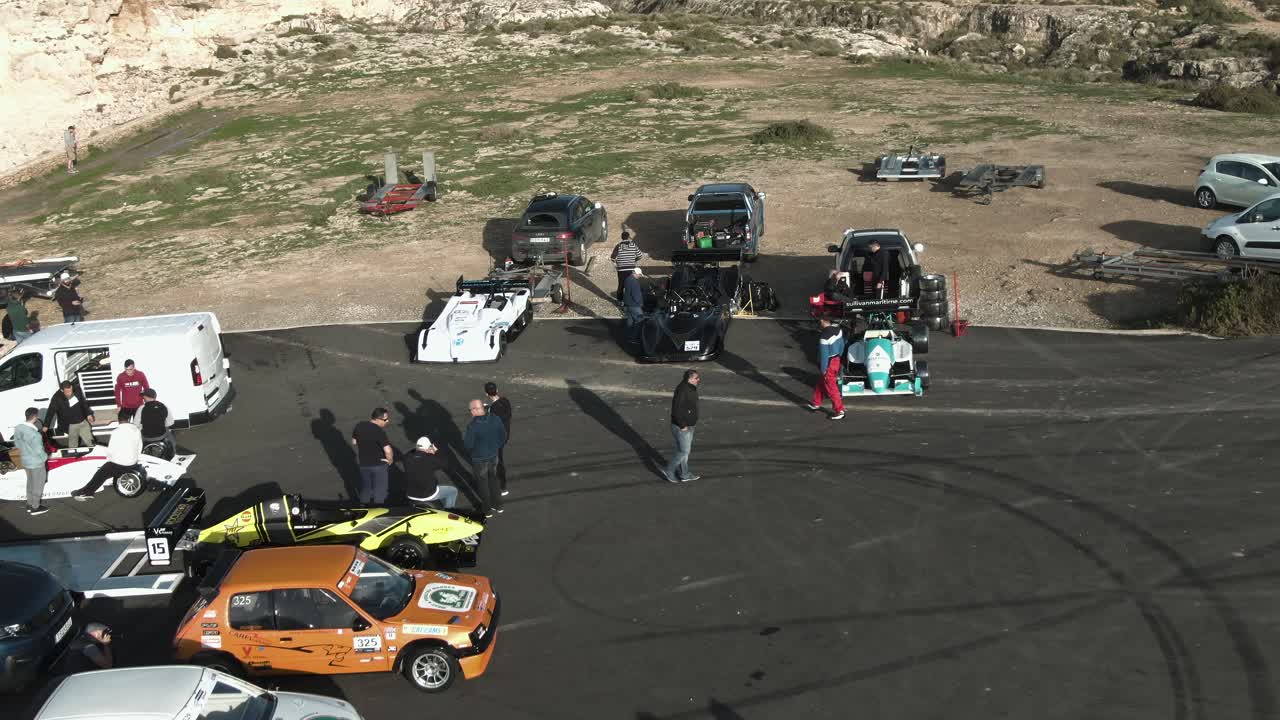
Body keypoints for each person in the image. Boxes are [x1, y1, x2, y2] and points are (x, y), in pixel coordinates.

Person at [71, 407, 141, 499]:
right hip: (133, 462)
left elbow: (111, 451)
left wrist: (108, 460)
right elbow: (139, 447)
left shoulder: (116, 432)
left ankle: (87, 492)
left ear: (118, 420)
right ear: (129, 419)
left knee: (101, 473)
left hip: (121, 465)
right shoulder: (136, 430)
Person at [463, 398, 506, 517]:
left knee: (483, 484)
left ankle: (487, 510)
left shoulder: (473, 426)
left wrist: (474, 451)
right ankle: (498, 505)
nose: (470, 412)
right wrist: (496, 446)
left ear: (475, 410)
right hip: (493, 455)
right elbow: (503, 435)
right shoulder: (495, 418)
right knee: (494, 479)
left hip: (479, 459)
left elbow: (468, 444)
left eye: (470, 410)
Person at [663, 369, 701, 484]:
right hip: (681, 427)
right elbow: (676, 410)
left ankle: (685, 474)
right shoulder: (683, 390)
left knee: (685, 451)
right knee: (683, 451)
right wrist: (683, 425)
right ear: (689, 379)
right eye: (696, 378)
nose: (698, 380)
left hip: (689, 425)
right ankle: (669, 470)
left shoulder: (690, 387)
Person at [807, 316, 847, 420]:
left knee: (831, 387)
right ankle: (816, 403)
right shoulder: (838, 330)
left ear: (822, 321)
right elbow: (842, 345)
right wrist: (839, 356)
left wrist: (823, 369)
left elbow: (824, 356)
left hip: (828, 363)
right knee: (821, 382)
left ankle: (839, 411)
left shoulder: (824, 337)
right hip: (836, 359)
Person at [351, 408, 393, 505]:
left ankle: (363, 507)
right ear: (378, 419)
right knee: (380, 490)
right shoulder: (379, 432)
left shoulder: (359, 425)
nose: (387, 421)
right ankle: (378, 508)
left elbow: (354, 441)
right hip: (379, 465)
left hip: (363, 464)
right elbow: (388, 450)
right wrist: (390, 460)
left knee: (366, 488)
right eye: (385, 419)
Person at [403, 437, 459, 510]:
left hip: (410, 493)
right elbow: (445, 463)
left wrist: (426, 450)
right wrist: (435, 451)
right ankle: (448, 511)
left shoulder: (407, 457)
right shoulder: (430, 459)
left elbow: (414, 452)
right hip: (426, 494)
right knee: (452, 491)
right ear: (428, 447)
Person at [13, 408, 49, 515]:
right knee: (38, 484)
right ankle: (35, 507)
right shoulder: (35, 435)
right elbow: (39, 451)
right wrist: (46, 457)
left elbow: (17, 444)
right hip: (36, 463)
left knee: (30, 482)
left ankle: (29, 504)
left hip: (25, 460)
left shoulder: (18, 427)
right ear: (35, 417)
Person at [44, 380, 96, 448]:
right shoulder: (57, 398)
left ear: (71, 387)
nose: (70, 393)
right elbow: (50, 412)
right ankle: (73, 453)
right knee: (73, 446)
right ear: (62, 390)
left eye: (71, 391)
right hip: (71, 425)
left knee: (90, 442)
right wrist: (46, 425)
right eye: (67, 392)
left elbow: (83, 403)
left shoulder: (76, 389)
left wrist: (88, 414)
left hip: (82, 421)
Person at [484, 382, 512, 496]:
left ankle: (502, 486)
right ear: (497, 390)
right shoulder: (505, 401)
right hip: (505, 434)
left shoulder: (493, 410)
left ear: (486, 394)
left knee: (498, 461)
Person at [610, 230, 645, 301]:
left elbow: (612, 258)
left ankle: (620, 301)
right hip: (631, 269)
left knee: (621, 285)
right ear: (628, 237)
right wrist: (634, 260)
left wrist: (617, 264)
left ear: (622, 238)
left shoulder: (618, 246)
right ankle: (631, 300)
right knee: (631, 284)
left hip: (621, 270)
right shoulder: (633, 245)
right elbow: (640, 256)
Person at [138, 388, 174, 454]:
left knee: (138, 431)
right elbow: (170, 422)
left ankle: (139, 453)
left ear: (146, 397)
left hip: (146, 437)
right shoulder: (164, 406)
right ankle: (173, 452)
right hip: (161, 436)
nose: (143, 398)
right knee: (169, 431)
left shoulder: (141, 408)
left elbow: (136, 425)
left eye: (143, 396)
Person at [623, 267, 645, 346]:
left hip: (627, 304)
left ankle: (628, 336)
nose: (639, 276)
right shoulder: (634, 282)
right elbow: (636, 295)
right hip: (634, 305)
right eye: (639, 275)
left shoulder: (627, 279)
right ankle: (634, 338)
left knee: (630, 321)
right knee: (640, 320)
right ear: (635, 273)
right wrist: (640, 304)